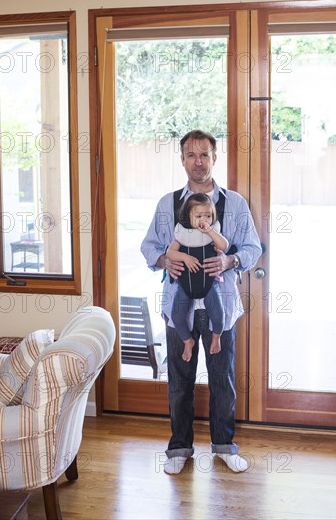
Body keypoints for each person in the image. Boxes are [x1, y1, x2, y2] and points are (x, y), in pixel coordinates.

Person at [141, 129, 262, 475]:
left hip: (220, 307)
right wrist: (166, 259)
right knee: (180, 382)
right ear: (182, 160)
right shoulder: (168, 204)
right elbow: (149, 247)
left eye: (204, 155)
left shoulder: (234, 204)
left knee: (222, 379)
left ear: (214, 158)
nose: (198, 161)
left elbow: (253, 248)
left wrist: (230, 261)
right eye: (191, 155)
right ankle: (179, 448)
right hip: (178, 307)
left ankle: (224, 446)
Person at [167, 192, 229, 362]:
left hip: (210, 284)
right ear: (189, 216)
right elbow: (170, 253)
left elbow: (224, 245)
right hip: (185, 285)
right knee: (177, 316)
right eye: (199, 215)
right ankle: (188, 341)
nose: (204, 219)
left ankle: (216, 337)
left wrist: (210, 231)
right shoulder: (183, 234)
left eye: (208, 215)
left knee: (218, 315)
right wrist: (185, 257)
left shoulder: (212, 233)